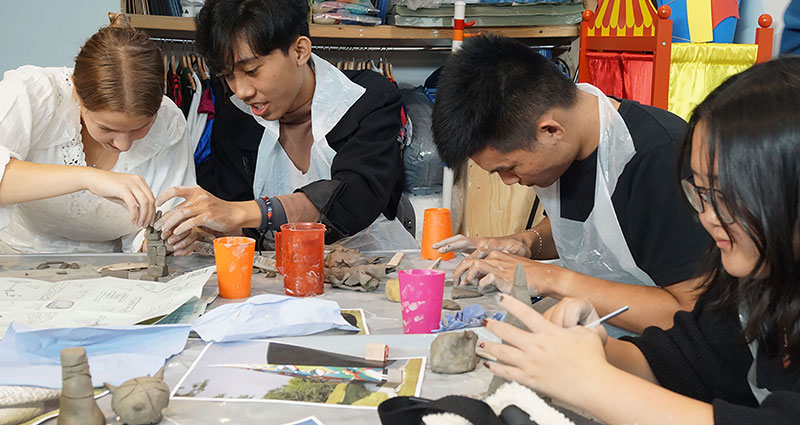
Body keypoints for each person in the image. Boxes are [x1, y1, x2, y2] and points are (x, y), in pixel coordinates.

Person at [481, 56, 800, 424]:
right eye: (700, 192)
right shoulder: (762, 284)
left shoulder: (651, 154)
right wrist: (597, 347)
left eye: (725, 196)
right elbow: (693, 358)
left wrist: (592, 383)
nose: (705, 215)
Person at [430, 35, 710, 335]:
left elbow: (692, 317)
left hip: (676, 361)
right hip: (601, 334)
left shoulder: (660, 159)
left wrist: (553, 278)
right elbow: (589, 231)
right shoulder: (564, 151)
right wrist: (526, 242)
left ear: (551, 130)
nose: (510, 182)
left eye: (508, 169)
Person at [153, 0, 417, 252]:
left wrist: (243, 212)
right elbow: (240, 224)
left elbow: (357, 194)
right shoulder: (235, 120)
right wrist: (206, 232)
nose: (241, 90)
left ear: (300, 50)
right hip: (280, 273)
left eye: (252, 70)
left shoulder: (368, 99)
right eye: (228, 76)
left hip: (375, 264)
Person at [0, 14, 195, 254]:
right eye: (106, 128)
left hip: (114, 272)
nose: (123, 145)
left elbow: (163, 221)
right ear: (78, 96)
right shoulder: (34, 93)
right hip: (18, 259)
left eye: (140, 127)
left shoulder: (169, 122)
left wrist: (163, 241)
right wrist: (88, 178)